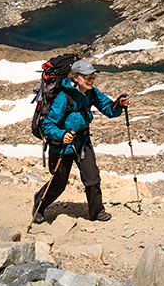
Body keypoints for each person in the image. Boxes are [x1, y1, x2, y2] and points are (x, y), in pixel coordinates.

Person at [32, 59, 129, 223]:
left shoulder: (92, 92)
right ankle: (39, 204)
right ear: (76, 77)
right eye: (88, 76)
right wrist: (62, 135)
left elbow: (108, 109)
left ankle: (97, 211)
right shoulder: (63, 97)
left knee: (92, 178)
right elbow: (48, 125)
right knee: (59, 183)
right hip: (61, 146)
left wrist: (118, 104)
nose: (91, 79)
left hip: (82, 141)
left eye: (93, 76)